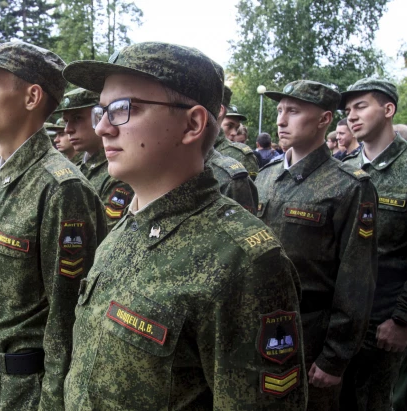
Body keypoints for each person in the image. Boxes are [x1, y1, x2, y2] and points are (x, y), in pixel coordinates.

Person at [61, 41, 307, 410]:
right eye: (102, 110)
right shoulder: (128, 226)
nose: (102, 128)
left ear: (192, 124)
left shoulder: (243, 259)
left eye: (124, 109)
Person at [0, 41, 107, 410]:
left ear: (31, 97)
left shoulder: (61, 189)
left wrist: (54, 401)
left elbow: (70, 318)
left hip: (32, 390)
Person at [256, 80, 378, 410]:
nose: (281, 121)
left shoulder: (349, 186)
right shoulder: (264, 177)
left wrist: (334, 358)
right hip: (254, 327)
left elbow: (356, 279)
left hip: (310, 336)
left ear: (325, 120)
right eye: (280, 111)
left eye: (293, 111)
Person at [336, 78, 407, 411]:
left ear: (388, 109)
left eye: (361, 106)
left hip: (385, 322)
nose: (351, 116)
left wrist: (402, 320)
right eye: (348, 110)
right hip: (340, 322)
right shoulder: (343, 170)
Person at [55, 87, 134, 231]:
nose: (68, 129)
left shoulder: (117, 172)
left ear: (100, 117)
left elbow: (104, 232)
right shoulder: (78, 167)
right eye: (66, 121)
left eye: (77, 118)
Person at [214, 88, 259, 179]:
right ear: (218, 119)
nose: (234, 133)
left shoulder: (242, 155)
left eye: (237, 128)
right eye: (229, 126)